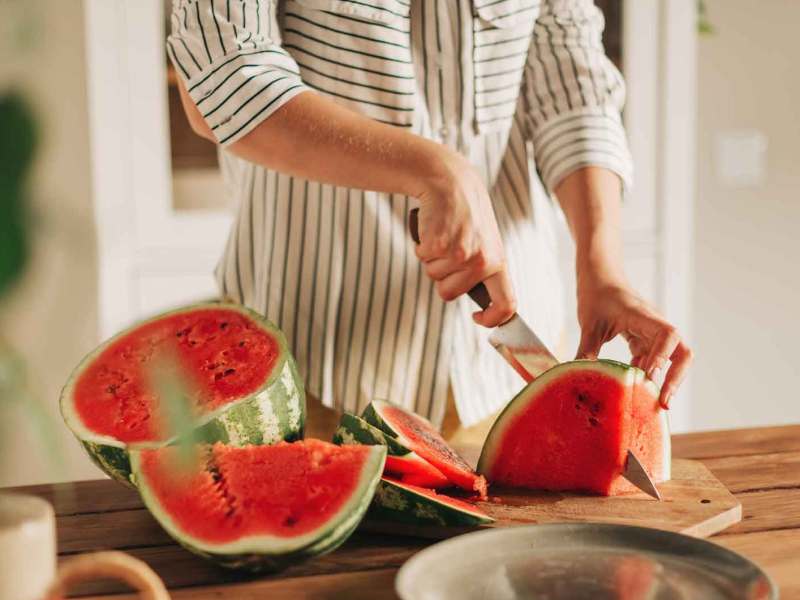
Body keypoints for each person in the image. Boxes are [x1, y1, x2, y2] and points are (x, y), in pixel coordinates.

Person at [167, 0, 692, 441]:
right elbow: (221, 75)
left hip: (501, 377)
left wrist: (602, 268)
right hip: (304, 364)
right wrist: (439, 171)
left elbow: (571, 80)